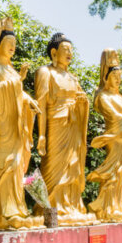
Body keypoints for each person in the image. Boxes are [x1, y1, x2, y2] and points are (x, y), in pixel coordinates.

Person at [0, 17, 44, 230]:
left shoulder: (11, 70)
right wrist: (18, 81)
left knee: (19, 165)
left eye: (14, 46)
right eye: (8, 45)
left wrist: (29, 100)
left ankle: (17, 208)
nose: (12, 49)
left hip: (17, 126)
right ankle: (2, 212)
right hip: (3, 125)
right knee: (9, 164)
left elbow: (19, 93)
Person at [35, 33, 96, 225]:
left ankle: (70, 206)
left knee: (73, 166)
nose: (69, 53)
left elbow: (82, 100)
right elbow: (41, 105)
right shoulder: (45, 72)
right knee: (53, 167)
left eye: (71, 50)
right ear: (54, 52)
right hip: (56, 125)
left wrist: (82, 103)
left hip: (73, 127)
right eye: (65, 49)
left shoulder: (72, 78)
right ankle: (50, 209)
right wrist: (42, 135)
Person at [87, 49, 122, 222]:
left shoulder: (120, 97)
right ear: (106, 77)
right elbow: (113, 116)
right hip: (114, 136)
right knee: (113, 172)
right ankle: (106, 207)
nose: (118, 79)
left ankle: (117, 205)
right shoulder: (103, 96)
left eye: (120, 76)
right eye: (114, 75)